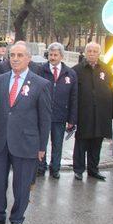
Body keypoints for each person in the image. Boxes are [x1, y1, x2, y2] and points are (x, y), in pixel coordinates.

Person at [0, 42, 51, 224]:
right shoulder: (0, 80)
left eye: (20, 55)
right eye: (12, 55)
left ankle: (17, 219)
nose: (15, 59)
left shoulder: (40, 84)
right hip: (0, 140)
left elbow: (45, 119)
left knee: (21, 184)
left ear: (28, 58)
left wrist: (42, 146)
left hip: (26, 142)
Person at [72, 42, 113, 181]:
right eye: (89, 51)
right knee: (81, 143)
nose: (92, 53)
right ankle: (78, 169)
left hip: (101, 114)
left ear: (99, 53)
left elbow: (111, 91)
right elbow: (73, 95)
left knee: (97, 143)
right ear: (85, 53)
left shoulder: (107, 69)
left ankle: (93, 170)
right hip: (84, 114)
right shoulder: (76, 70)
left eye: (95, 51)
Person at [38, 42, 78, 179]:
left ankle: (55, 168)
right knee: (41, 142)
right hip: (43, 114)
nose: (53, 57)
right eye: (50, 54)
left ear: (61, 56)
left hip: (60, 115)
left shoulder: (70, 73)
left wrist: (72, 119)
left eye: (55, 55)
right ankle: (40, 166)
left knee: (57, 143)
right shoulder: (40, 70)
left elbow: (74, 98)